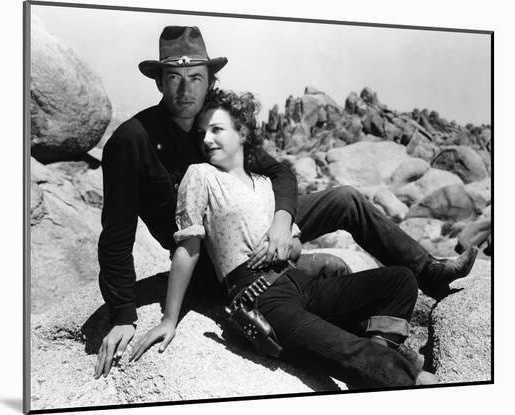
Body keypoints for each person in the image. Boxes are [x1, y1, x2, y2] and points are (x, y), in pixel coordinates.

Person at [94, 25, 477, 379]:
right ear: (159, 81)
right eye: (174, 78)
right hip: (217, 262)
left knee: (345, 199)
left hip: (257, 225)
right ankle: (389, 359)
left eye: (196, 77)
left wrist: (282, 222)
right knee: (329, 270)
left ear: (210, 79)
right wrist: (124, 316)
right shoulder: (132, 141)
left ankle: (431, 274)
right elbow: (116, 236)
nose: (185, 90)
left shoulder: (214, 122)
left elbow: (279, 172)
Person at [128, 89, 438, 388]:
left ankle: (382, 357)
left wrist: (285, 245)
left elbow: (297, 245)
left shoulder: (264, 183)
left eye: (216, 129)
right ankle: (403, 376)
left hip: (297, 280)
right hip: (260, 299)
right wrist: (169, 319)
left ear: (242, 133)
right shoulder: (200, 175)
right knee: (348, 351)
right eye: (201, 133)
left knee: (401, 281)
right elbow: (188, 247)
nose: (206, 139)